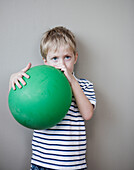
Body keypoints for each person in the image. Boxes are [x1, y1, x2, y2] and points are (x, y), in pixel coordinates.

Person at [9, 26, 96, 170]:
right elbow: (22, 99)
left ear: (75, 58)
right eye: (54, 58)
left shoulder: (84, 85)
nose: (61, 64)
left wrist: (73, 83)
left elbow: (87, 114)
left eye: (67, 57)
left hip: (73, 165)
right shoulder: (39, 85)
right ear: (46, 62)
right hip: (42, 163)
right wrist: (14, 78)